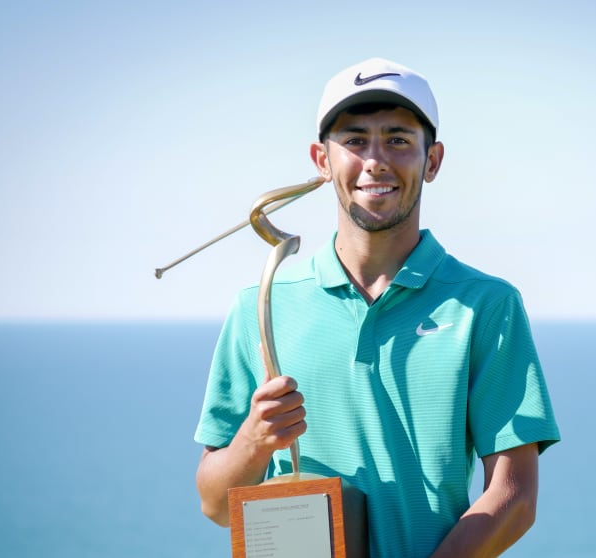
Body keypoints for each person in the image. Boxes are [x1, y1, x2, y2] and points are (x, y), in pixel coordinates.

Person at [194, 57, 560, 558]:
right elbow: (215, 503)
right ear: (321, 161)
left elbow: (514, 499)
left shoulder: (486, 305)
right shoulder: (261, 303)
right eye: (354, 139)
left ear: (432, 161)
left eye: (398, 139)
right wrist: (254, 442)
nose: (375, 160)